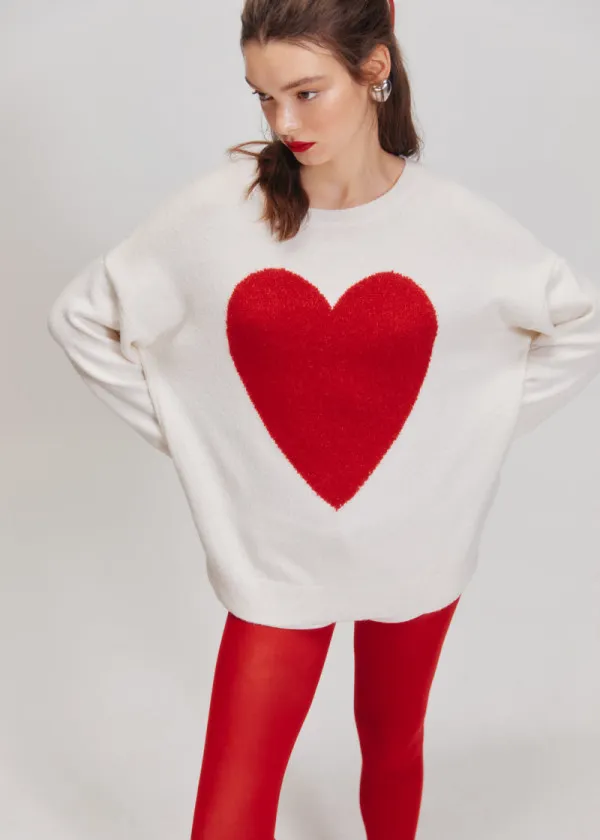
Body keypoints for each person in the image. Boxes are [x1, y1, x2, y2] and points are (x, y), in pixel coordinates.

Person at [46, 0, 600, 838]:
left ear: (374, 70)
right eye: (264, 97)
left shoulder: (458, 225)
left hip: (419, 547)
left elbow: (577, 322)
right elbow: (82, 317)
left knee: (393, 746)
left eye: (306, 93)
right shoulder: (221, 209)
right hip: (276, 559)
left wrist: (468, 428)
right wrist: (196, 438)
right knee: (232, 799)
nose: (283, 123)